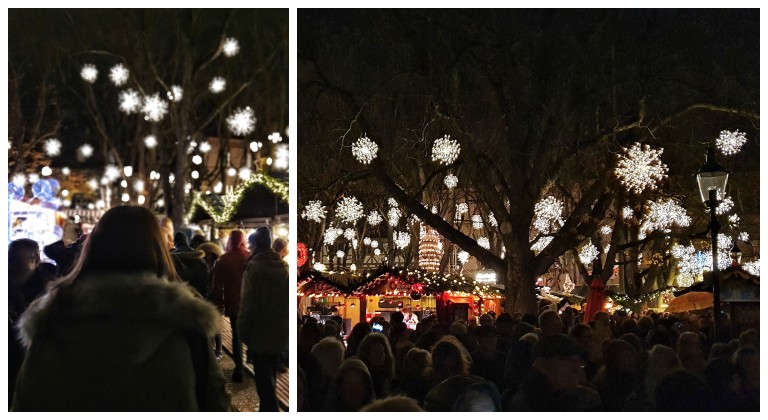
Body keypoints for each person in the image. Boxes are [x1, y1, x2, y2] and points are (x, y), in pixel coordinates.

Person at [12, 206, 231, 411]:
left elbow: (26, 400)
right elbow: (215, 401)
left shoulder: (54, 316)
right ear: (157, 249)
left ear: (93, 248)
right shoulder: (185, 318)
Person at [238, 226, 289, 411]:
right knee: (271, 379)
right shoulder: (283, 268)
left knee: (263, 381)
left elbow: (248, 303)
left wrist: (242, 331)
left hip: (259, 333)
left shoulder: (253, 268)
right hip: (280, 332)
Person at [172, 232, 210, 298]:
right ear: (186, 241)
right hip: (198, 294)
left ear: (174, 242)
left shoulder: (172, 257)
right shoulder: (198, 255)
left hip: (182, 296)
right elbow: (205, 274)